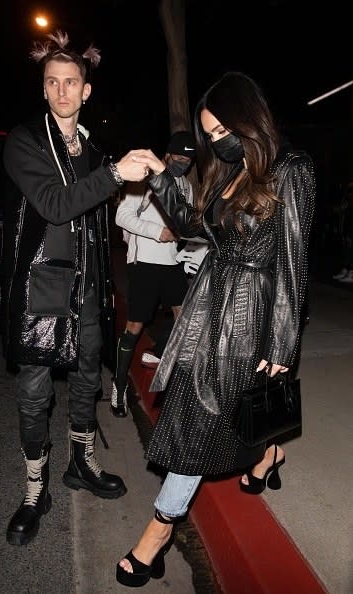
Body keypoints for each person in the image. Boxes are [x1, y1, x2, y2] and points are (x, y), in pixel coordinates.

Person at [115, 71, 316, 587]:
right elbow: (190, 223)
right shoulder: (226, 173)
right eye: (210, 132)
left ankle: (156, 536)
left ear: (249, 119)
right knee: (210, 412)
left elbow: (294, 266)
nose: (217, 140)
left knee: (198, 424)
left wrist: (283, 344)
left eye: (224, 129)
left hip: (250, 316)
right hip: (211, 305)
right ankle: (269, 453)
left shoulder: (291, 170)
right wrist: (160, 173)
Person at [2, 30, 155, 546]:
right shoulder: (24, 141)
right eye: (53, 83)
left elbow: (102, 213)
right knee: (33, 394)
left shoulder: (90, 149)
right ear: (43, 90)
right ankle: (33, 490)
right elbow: (55, 204)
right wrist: (115, 173)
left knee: (88, 377)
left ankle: (81, 465)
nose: (63, 91)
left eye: (72, 82)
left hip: (89, 289)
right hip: (43, 287)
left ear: (85, 91)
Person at [110, 131, 196, 417]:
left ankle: (167, 368)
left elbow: (188, 221)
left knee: (186, 317)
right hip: (144, 262)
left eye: (188, 159)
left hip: (172, 263)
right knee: (134, 327)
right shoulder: (144, 177)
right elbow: (122, 217)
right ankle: (119, 385)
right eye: (179, 157)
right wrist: (157, 232)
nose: (182, 163)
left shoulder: (185, 185)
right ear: (167, 154)